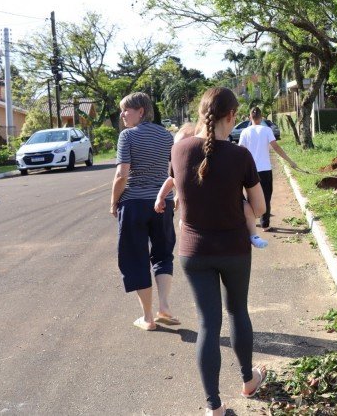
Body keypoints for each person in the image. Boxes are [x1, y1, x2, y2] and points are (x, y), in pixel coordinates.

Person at [170, 87, 268, 415]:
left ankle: (214, 406)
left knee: (208, 324)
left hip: (193, 252)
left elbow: (179, 194)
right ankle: (248, 380)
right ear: (232, 117)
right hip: (234, 250)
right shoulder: (240, 156)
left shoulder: (179, 150)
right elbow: (259, 207)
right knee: (237, 312)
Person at [110, 92, 179, 331]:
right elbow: (173, 172)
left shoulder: (127, 136)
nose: (122, 115)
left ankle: (148, 318)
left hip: (135, 205)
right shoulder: (166, 135)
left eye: (125, 110)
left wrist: (113, 202)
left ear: (141, 111)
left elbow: (122, 174)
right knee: (163, 253)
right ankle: (165, 306)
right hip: (163, 203)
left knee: (135, 257)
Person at [155, 122, 268, 249]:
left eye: (185, 143)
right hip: (201, 227)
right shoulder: (182, 163)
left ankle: (253, 235)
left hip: (221, 214)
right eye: (178, 145)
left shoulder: (213, 157)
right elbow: (171, 180)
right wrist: (161, 197)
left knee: (246, 207)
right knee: (184, 222)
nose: (182, 148)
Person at [237, 106, 299, 231]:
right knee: (266, 196)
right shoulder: (267, 130)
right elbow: (276, 147)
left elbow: (240, 151)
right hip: (265, 170)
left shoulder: (245, 132)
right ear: (262, 117)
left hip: (249, 170)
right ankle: (265, 224)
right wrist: (290, 161)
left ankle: (251, 222)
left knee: (250, 196)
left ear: (250, 118)